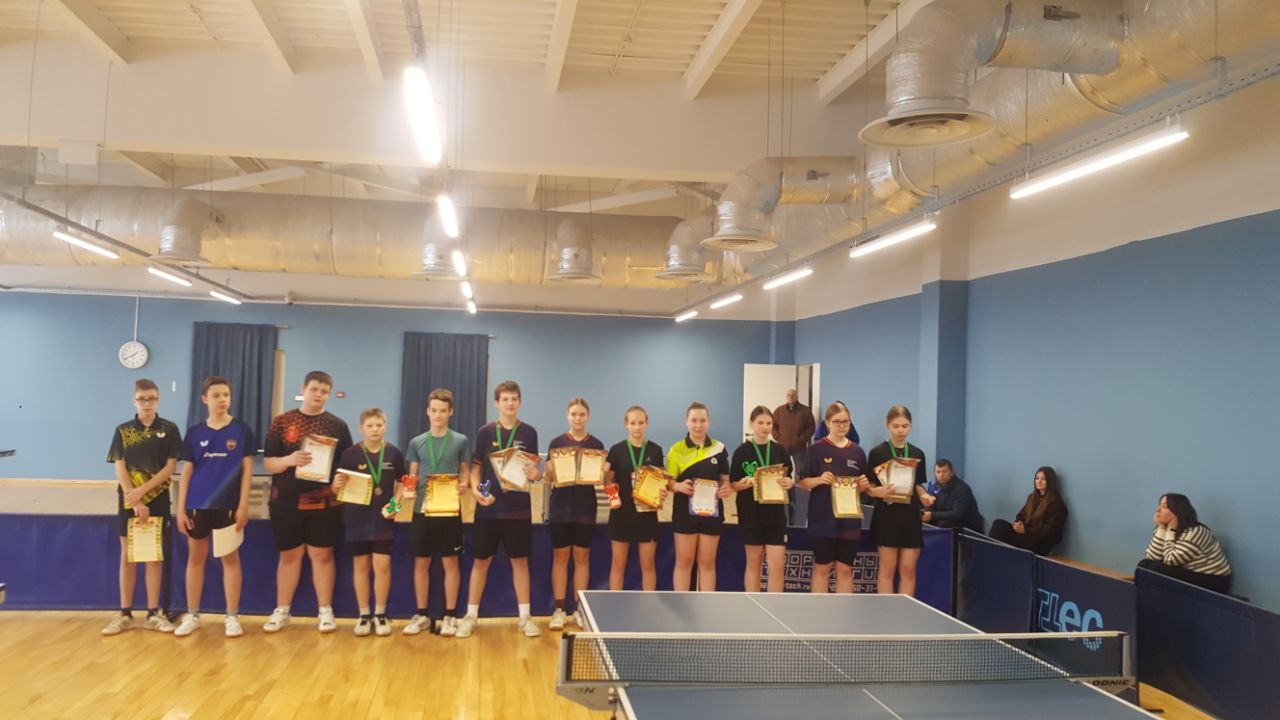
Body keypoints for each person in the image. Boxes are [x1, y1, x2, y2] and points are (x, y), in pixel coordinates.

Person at [262, 370, 353, 634]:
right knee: (289, 555)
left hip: (325, 503)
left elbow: (345, 465)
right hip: (286, 502)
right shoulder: (282, 422)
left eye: (324, 391)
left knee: (321, 555)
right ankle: (282, 610)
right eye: (314, 389)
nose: (318, 395)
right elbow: (269, 463)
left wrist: (337, 484)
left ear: (329, 394)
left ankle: (325, 611)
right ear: (303, 389)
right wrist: (289, 460)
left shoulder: (337, 425)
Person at [173, 377, 254, 638]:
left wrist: (243, 505)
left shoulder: (242, 430)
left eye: (226, 395)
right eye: (216, 395)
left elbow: (248, 471)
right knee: (196, 559)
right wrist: (181, 509)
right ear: (205, 399)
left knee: (230, 560)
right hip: (197, 505)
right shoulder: (195, 432)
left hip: (228, 506)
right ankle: (192, 615)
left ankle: (232, 616)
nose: (222, 400)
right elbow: (187, 472)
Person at [461, 380, 542, 639]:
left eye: (514, 399)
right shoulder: (485, 432)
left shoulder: (529, 433)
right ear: (496, 403)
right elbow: (476, 468)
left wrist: (536, 474)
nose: (510, 403)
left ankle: (525, 617)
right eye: (505, 399)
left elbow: (533, 470)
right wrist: (476, 491)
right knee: (480, 561)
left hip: (518, 509)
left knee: (520, 562)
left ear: (520, 402)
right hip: (488, 508)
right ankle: (471, 616)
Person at [103, 378, 181, 635]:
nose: (147, 403)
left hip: (158, 498)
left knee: (153, 555)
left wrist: (142, 493)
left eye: (152, 399)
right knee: (128, 554)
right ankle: (125, 613)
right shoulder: (123, 430)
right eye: (142, 399)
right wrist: (133, 499)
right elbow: (120, 466)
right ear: (134, 401)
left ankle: (153, 613)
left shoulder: (169, 429)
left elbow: (170, 467)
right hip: (129, 499)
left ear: (158, 400)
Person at [403, 388, 471, 637]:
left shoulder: (461, 441)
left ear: (450, 412)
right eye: (434, 410)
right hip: (422, 509)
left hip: (449, 508)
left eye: (443, 410)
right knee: (421, 562)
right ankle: (422, 614)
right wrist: (408, 490)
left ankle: (450, 615)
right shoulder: (416, 442)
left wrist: (464, 484)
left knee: (450, 562)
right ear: (427, 412)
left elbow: (465, 472)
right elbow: (412, 474)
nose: (438, 415)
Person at [333, 408, 406, 637]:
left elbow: (403, 484)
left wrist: (395, 505)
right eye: (370, 426)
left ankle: (380, 613)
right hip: (356, 518)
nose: (375, 430)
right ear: (361, 428)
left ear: (385, 427)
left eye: (379, 425)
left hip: (383, 519)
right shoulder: (350, 454)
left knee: (382, 566)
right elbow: (338, 488)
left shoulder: (394, 453)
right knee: (361, 566)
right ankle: (364, 614)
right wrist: (335, 484)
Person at [546, 398, 605, 631]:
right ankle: (559, 609)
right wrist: (548, 471)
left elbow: (600, 480)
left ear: (588, 416)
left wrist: (603, 472)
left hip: (585, 510)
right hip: (560, 509)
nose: (577, 418)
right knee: (560, 558)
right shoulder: (556, 443)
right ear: (567, 416)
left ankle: (579, 609)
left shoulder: (596, 444)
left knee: (582, 559)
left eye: (581, 414)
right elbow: (548, 479)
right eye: (574, 414)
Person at [799, 402, 870, 593]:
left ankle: (843, 610)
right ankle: (819, 610)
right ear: (827, 422)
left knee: (845, 569)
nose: (842, 425)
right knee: (822, 568)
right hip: (822, 519)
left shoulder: (857, 452)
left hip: (849, 521)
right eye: (837, 421)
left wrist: (864, 485)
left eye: (846, 422)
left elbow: (863, 486)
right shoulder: (816, 450)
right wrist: (819, 479)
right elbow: (803, 482)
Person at [863, 406, 933, 596]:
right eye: (896, 426)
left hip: (910, 516)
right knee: (888, 568)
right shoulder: (877, 453)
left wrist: (924, 496)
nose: (900, 430)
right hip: (886, 516)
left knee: (908, 569)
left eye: (905, 426)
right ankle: (886, 610)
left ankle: (905, 610)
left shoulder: (917, 453)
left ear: (910, 426)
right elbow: (868, 487)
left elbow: (918, 485)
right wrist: (877, 492)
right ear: (888, 425)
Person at [667, 402, 731, 592]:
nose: (698, 425)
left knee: (708, 563)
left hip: (711, 514)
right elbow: (668, 483)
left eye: (702, 420)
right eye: (694, 420)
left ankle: (706, 606)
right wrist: (677, 486)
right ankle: (681, 607)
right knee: (684, 562)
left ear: (708, 422)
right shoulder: (675, 450)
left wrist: (725, 489)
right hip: (684, 514)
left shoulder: (719, 449)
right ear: (686, 422)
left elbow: (725, 481)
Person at [732, 406, 794, 592]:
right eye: (760, 423)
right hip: (751, 514)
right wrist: (742, 484)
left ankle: (774, 605)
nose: (765, 427)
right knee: (754, 563)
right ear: (751, 424)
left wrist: (789, 483)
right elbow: (734, 484)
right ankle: (753, 605)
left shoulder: (780, 450)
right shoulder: (742, 451)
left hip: (775, 515)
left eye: (768, 423)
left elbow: (789, 478)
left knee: (777, 565)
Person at [604, 406, 666, 591]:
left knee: (648, 565)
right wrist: (613, 496)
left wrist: (662, 492)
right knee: (618, 565)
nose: (637, 427)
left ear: (646, 424)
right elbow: (608, 480)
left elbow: (660, 481)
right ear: (626, 424)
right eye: (633, 423)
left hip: (646, 515)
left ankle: (649, 605)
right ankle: (615, 603)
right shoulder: (616, 450)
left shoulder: (656, 450)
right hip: (621, 514)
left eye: (641, 423)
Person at [1137, 494, 1232, 594]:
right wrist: (1161, 527)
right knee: (1144, 564)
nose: (1158, 510)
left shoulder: (1196, 531)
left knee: (1157, 569)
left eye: (1164, 506)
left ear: (1177, 511)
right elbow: (1153, 557)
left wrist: (1171, 531)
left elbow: (1171, 560)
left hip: (1213, 580)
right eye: (1159, 505)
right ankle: (1141, 598)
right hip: (1187, 572)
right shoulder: (1163, 529)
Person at [988, 467, 1068, 556]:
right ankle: (990, 553)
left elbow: (1047, 531)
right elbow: (1021, 515)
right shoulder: (1032, 497)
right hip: (1026, 534)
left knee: (1004, 536)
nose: (1039, 481)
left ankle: (991, 555)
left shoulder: (1055, 502)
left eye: (1043, 479)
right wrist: (1018, 523)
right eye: (1037, 478)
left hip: (1040, 543)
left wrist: (1025, 530)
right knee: (998, 524)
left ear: (1050, 481)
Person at [921, 459, 983, 533]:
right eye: (938, 472)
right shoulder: (935, 486)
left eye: (945, 471)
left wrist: (932, 515)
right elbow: (929, 505)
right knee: (923, 522)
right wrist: (927, 513)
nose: (941, 475)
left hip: (968, 525)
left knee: (943, 524)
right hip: (946, 521)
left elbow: (957, 514)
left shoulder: (962, 488)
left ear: (952, 473)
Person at [772, 389, 815, 473]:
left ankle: (799, 482)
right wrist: (779, 438)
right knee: (782, 471)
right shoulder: (779, 411)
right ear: (786, 397)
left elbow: (811, 427)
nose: (791, 397)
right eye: (788, 395)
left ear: (797, 397)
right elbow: (773, 426)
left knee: (801, 471)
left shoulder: (805, 410)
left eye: (793, 395)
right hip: (782, 447)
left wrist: (801, 439)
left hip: (799, 448)